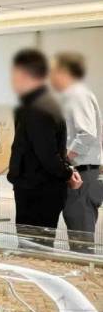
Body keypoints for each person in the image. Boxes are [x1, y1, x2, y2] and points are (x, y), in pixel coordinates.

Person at [7, 49, 82, 228]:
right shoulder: (36, 104)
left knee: (34, 241)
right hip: (37, 187)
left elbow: (47, 154)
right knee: (35, 240)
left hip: (37, 190)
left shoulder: (39, 107)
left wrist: (67, 173)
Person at [49, 52, 102, 233]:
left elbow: (86, 134)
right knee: (78, 230)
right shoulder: (73, 95)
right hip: (82, 172)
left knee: (81, 237)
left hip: (83, 173)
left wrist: (64, 160)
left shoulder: (77, 95)